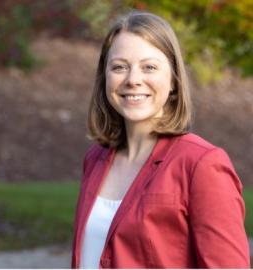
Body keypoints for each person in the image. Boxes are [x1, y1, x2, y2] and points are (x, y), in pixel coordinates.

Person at [71, 10, 250, 268]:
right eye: (119, 67)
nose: (133, 80)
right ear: (105, 77)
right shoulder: (96, 159)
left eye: (149, 67)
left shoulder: (201, 165)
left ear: (174, 80)